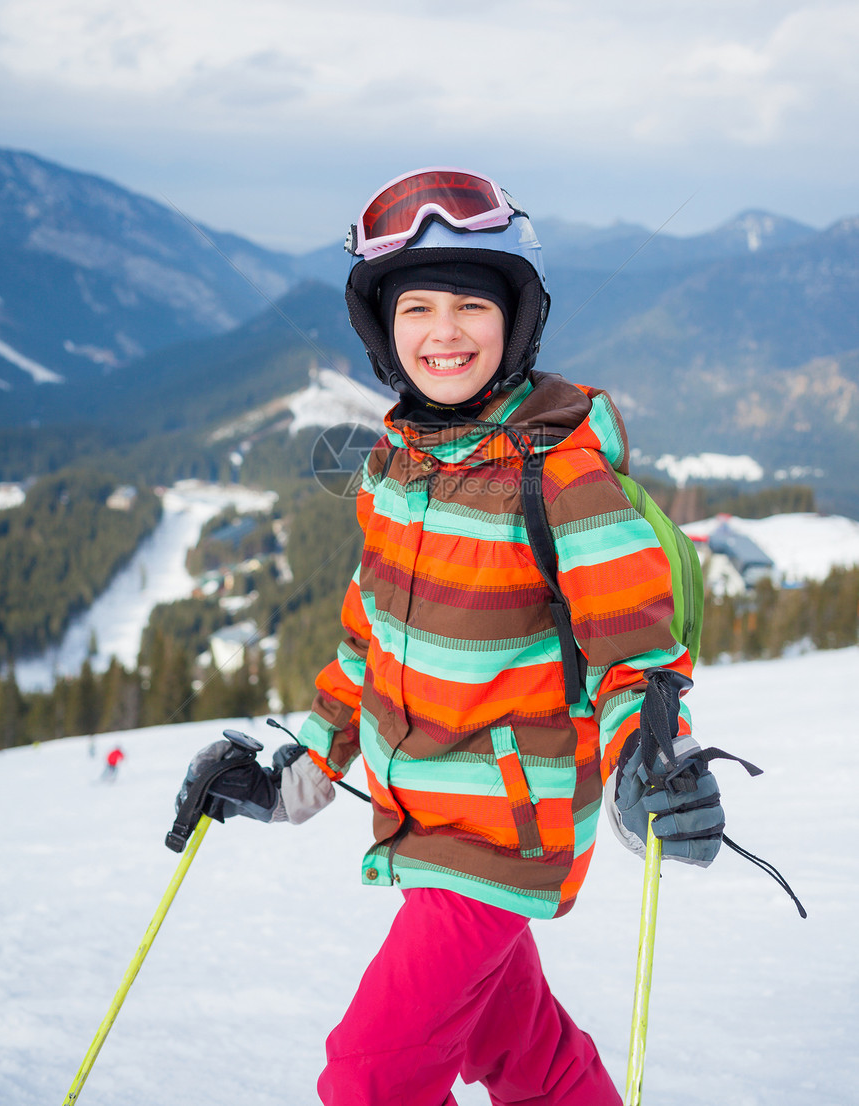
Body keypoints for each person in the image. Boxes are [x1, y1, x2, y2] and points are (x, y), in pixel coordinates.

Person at [179, 168, 725, 1105]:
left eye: (472, 304)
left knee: (371, 1075)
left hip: (499, 833)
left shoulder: (563, 477)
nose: (444, 331)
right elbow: (369, 644)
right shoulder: (397, 471)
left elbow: (632, 652)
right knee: (522, 1052)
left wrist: (650, 758)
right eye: (417, 307)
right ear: (382, 331)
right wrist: (300, 761)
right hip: (425, 818)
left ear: (516, 321)